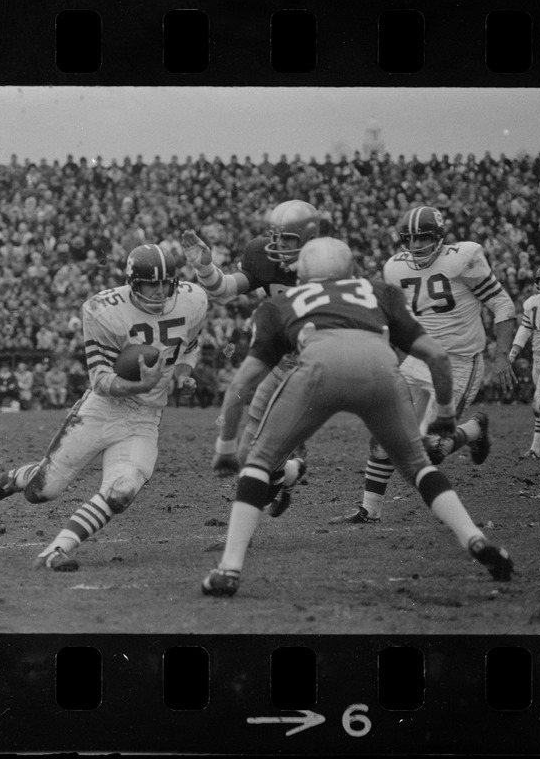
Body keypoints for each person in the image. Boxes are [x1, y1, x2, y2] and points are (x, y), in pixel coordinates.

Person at [201, 237, 514, 597]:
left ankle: (229, 569)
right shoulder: (381, 292)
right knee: (418, 466)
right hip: (380, 368)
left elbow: (242, 383)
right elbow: (438, 358)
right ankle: (474, 539)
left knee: (258, 461)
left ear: (302, 271)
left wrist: (225, 446)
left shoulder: (280, 302)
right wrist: (444, 413)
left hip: (318, 370)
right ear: (350, 270)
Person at [0, 244, 207, 571]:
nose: (160, 292)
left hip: (146, 417)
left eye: (165, 283)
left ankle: (58, 549)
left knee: (123, 489)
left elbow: (189, 345)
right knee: (42, 492)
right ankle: (22, 476)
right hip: (103, 409)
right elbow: (101, 379)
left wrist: (185, 375)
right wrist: (140, 385)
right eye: (151, 284)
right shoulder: (104, 310)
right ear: (134, 283)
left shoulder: (193, 300)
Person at [334, 205, 517, 524]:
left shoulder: (464, 258)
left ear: (439, 238)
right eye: (411, 239)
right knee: (385, 431)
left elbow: (501, 304)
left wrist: (501, 355)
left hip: (459, 361)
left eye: (424, 238)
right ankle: (369, 510)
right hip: (419, 359)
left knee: (430, 447)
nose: (417, 246)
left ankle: (475, 429)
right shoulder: (395, 267)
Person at [181, 199, 321, 518]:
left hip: (318, 368)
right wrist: (205, 266)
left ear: (311, 243)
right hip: (281, 361)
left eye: (288, 240)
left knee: (262, 456)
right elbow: (225, 290)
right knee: (249, 455)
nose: (277, 246)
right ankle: (290, 472)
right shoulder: (263, 257)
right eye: (276, 236)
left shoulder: (330, 267)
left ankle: (241, 538)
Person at [508, 265, 540, 460]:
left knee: (539, 404)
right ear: (536, 283)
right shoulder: (531, 303)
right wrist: (512, 353)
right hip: (538, 358)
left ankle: (535, 450)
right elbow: (525, 330)